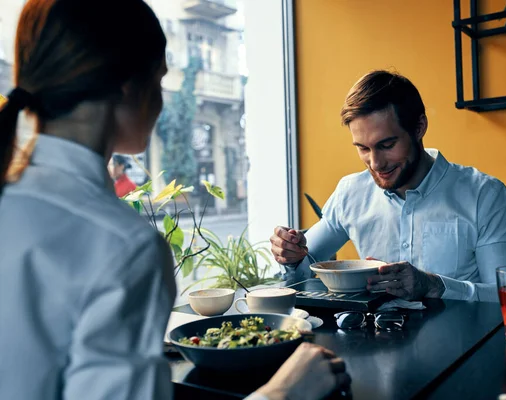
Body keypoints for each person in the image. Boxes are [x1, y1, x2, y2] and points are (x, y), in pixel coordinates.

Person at [0, 1, 349, 400]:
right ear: (127, 84)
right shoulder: (120, 245)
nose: (162, 100)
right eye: (160, 79)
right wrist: (285, 393)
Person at [271, 70, 506, 303]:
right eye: (362, 148)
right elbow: (303, 267)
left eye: (387, 145)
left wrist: (436, 286)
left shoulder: (484, 195)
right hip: (372, 345)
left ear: (419, 127)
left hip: (463, 346)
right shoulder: (350, 193)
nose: (376, 163)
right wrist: (290, 254)